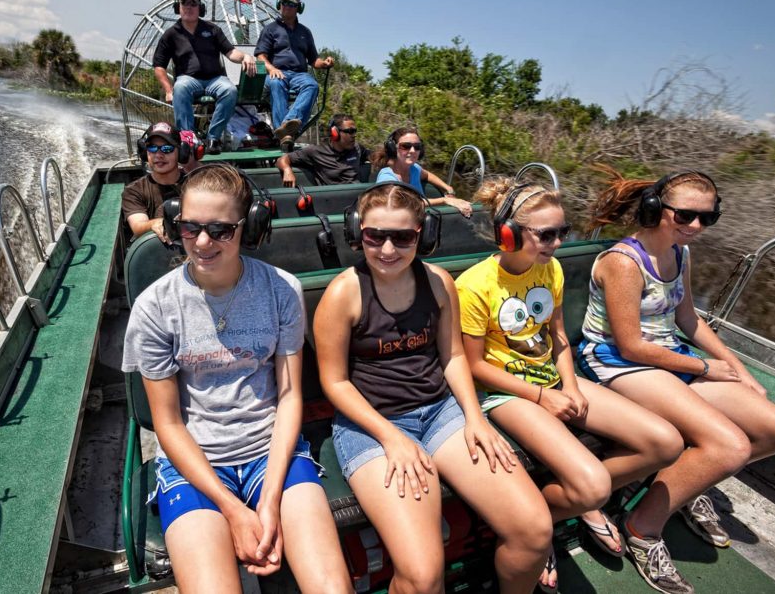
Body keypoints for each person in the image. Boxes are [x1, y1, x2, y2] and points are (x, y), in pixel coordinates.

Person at [122, 163, 352, 593]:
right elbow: (168, 424)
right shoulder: (156, 306)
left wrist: (268, 501)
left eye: (221, 230)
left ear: (249, 228)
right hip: (195, 466)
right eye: (190, 228)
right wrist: (233, 509)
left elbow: (288, 397)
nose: (203, 242)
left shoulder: (281, 290)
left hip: (272, 453)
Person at [314, 182, 552, 594]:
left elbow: (455, 356)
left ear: (421, 235)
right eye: (375, 236)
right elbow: (334, 382)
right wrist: (392, 438)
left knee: (533, 531)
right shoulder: (344, 294)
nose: (388, 249)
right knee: (423, 577)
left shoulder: (439, 282)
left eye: (402, 237)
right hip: (372, 425)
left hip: (440, 411)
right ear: (359, 234)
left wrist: (475, 418)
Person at [455, 178, 684, 593]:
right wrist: (542, 396)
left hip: (555, 378)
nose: (557, 242)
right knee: (593, 485)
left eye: (563, 232)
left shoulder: (550, 268)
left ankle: (551, 513)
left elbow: (558, 336)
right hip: (508, 391)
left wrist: (572, 385)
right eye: (546, 234)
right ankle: (537, 527)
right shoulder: (473, 285)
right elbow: (474, 366)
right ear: (508, 233)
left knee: (665, 443)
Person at [576, 168, 775, 594]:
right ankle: (643, 528)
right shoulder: (624, 263)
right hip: (619, 362)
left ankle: (683, 487)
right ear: (658, 209)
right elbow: (630, 346)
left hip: (672, 357)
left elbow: (688, 318)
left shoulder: (680, 253)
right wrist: (705, 369)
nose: (695, 226)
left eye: (707, 218)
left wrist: (739, 369)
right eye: (686, 216)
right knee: (731, 446)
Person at [153, 0, 256, 148]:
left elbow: (230, 53)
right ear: (178, 7)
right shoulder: (170, 35)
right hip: (188, 80)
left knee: (230, 91)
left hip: (215, 79)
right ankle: (188, 139)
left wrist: (245, 56)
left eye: (193, 4)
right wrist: (168, 89)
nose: (188, 7)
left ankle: (212, 138)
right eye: (184, 3)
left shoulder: (212, 29)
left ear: (200, 8)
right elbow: (159, 66)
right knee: (179, 88)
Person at [254, 0, 334, 140]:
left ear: (299, 8)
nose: (286, 6)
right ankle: (285, 133)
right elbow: (260, 56)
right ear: (279, 4)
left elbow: (313, 60)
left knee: (312, 85)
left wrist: (324, 63)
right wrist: (271, 69)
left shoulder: (305, 32)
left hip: (299, 75)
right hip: (277, 73)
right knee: (276, 83)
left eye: (291, 4)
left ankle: (285, 127)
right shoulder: (270, 29)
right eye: (284, 3)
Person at [373, 127, 474, 218]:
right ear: (393, 149)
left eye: (417, 147)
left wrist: (448, 188)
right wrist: (444, 200)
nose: (412, 150)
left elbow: (427, 175)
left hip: (420, 220)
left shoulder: (414, 169)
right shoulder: (386, 176)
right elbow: (400, 204)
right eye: (406, 146)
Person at [122, 121, 188, 241]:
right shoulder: (134, 190)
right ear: (144, 153)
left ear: (181, 152)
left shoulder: (197, 184)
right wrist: (154, 224)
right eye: (152, 148)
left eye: (166, 148)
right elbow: (138, 225)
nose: (158, 155)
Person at [276, 114, 369, 187]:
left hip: (358, 198)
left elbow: (375, 156)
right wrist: (287, 170)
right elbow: (282, 159)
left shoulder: (357, 148)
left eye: (355, 131)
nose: (354, 135)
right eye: (350, 131)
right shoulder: (315, 151)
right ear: (335, 133)